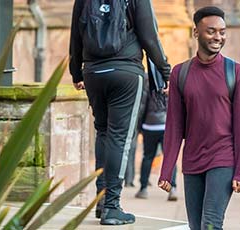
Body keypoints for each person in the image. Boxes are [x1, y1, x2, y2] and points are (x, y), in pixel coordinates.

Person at [69, 0, 171, 225]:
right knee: (120, 137)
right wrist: (165, 71)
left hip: (93, 72)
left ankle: (101, 202)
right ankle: (112, 206)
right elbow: (149, 36)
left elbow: (75, 35)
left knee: (103, 133)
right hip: (125, 71)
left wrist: (76, 72)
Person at [159, 6, 240, 230]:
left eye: (222, 31)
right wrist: (167, 169)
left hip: (223, 157)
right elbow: (174, 125)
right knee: (195, 226)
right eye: (211, 31)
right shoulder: (180, 73)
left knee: (211, 222)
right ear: (196, 33)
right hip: (192, 160)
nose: (218, 37)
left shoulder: (236, 72)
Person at [134, 61, 179, 201]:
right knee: (170, 157)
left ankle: (143, 189)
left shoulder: (148, 80)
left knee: (147, 157)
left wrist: (139, 125)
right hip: (167, 126)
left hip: (150, 125)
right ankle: (173, 188)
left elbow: (142, 105)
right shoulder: (173, 81)